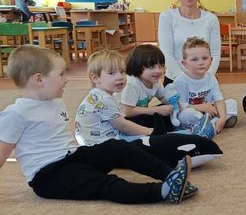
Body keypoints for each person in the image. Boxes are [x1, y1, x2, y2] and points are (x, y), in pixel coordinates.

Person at [0, 46, 193, 204]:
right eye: (61, 74)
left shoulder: (55, 101)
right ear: (39, 79)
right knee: (105, 184)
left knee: (116, 147)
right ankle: (163, 191)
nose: (66, 79)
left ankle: (170, 175)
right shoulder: (16, 113)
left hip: (73, 156)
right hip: (48, 176)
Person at [75, 50, 221, 170]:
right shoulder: (104, 98)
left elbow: (167, 100)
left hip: (112, 136)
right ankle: (189, 138)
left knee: (161, 119)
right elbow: (124, 124)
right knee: (150, 142)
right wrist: (152, 133)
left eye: (122, 72)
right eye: (112, 73)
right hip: (106, 144)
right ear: (95, 78)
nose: (120, 77)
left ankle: (190, 133)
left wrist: (181, 105)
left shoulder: (103, 95)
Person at [158, 0, 221, 84]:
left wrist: (206, 78)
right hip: (175, 80)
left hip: (205, 79)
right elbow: (167, 53)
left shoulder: (211, 19)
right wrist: (185, 81)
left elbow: (215, 53)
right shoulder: (167, 17)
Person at [173, 37, 238, 135]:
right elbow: (181, 106)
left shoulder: (211, 78)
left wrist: (223, 117)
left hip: (210, 111)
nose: (201, 63)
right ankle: (209, 124)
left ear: (211, 60)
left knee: (232, 103)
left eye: (205, 58)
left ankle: (212, 124)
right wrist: (202, 107)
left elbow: (218, 99)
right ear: (184, 63)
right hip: (193, 112)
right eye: (194, 59)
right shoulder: (180, 81)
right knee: (186, 114)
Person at [121, 44, 177, 132]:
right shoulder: (131, 83)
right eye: (152, 67)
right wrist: (156, 110)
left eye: (161, 66)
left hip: (139, 115)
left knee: (167, 110)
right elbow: (128, 112)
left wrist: (174, 103)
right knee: (157, 115)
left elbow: (163, 97)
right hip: (124, 120)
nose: (158, 71)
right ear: (137, 66)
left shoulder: (154, 81)